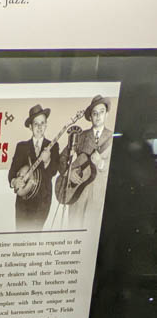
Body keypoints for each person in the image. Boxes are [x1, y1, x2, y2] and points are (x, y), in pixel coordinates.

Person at [58, 94, 113, 227]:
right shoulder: (81, 136)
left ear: (106, 114)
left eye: (101, 112)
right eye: (95, 113)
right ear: (90, 117)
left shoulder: (112, 138)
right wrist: (69, 172)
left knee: (89, 236)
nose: (98, 116)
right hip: (77, 194)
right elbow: (62, 157)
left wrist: (101, 163)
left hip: (97, 196)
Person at [8, 104, 60, 231]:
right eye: (36, 124)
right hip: (23, 201)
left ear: (46, 125)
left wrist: (47, 160)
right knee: (20, 235)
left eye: (42, 123)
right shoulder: (21, 147)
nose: (39, 127)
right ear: (30, 126)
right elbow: (12, 172)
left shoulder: (53, 146)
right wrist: (14, 181)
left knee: (35, 236)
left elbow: (53, 171)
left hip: (43, 200)